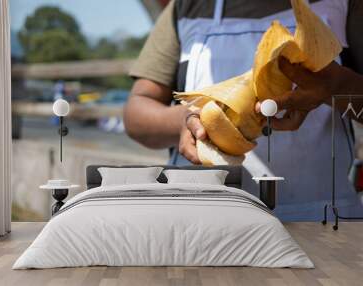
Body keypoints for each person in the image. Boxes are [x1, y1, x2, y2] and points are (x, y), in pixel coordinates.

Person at [124, 0, 363, 221]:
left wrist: (338, 88)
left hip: (322, 221)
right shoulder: (187, 6)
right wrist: (184, 120)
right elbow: (137, 111)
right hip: (201, 220)